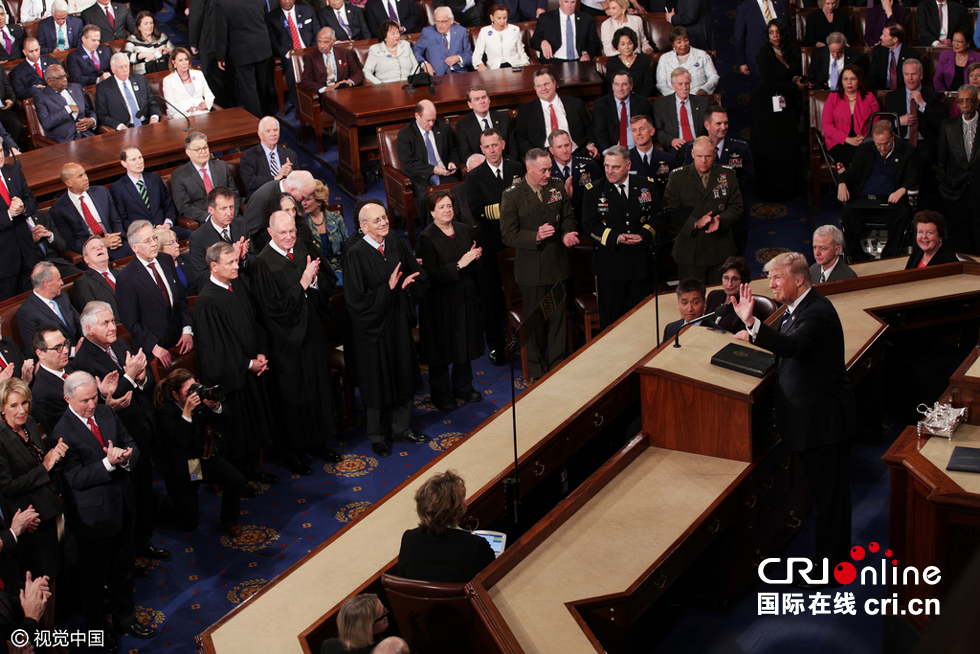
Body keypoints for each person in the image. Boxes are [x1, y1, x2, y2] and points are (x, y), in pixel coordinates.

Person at [732, 252, 855, 574]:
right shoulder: (792, 311)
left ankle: (831, 569)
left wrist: (752, 323)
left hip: (824, 422)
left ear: (799, 279)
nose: (770, 284)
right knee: (822, 494)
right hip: (809, 420)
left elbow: (793, 347)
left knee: (831, 500)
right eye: (769, 278)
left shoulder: (817, 312)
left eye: (777, 278)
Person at [54, 371, 154, 649]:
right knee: (94, 583)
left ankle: (126, 619)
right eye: (84, 400)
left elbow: (130, 441)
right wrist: (109, 464)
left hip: (121, 506)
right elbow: (75, 479)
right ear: (68, 399)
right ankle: (99, 632)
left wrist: (126, 457)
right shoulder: (62, 432)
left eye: (94, 397)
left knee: (124, 571)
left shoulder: (106, 414)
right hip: (92, 520)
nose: (91, 405)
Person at [74, 301, 169, 567]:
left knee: (144, 490)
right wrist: (129, 377)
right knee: (130, 496)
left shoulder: (119, 344)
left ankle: (144, 540)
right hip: (118, 439)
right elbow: (101, 403)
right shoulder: (83, 362)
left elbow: (142, 382)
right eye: (105, 323)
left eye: (112, 320)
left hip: (140, 427)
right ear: (89, 329)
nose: (112, 326)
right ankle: (131, 551)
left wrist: (139, 379)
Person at [253, 210, 341, 473]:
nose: (290, 237)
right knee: (293, 395)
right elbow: (271, 308)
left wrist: (313, 283)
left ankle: (318, 441)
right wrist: (302, 283)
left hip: (311, 332)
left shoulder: (302, 246)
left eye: (292, 231)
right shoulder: (263, 263)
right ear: (270, 233)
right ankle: (292, 451)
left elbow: (327, 280)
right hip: (286, 343)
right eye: (283, 233)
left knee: (317, 387)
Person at [344, 202, 430, 457]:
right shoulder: (355, 254)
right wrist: (389, 289)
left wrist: (405, 288)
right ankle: (378, 435)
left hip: (397, 323)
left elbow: (417, 275)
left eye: (384, 217)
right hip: (372, 331)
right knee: (377, 381)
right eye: (376, 220)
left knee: (403, 371)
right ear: (363, 226)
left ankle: (402, 428)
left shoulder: (395, 243)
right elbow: (356, 299)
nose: (383, 222)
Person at [194, 242, 279, 488]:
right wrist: (247, 363)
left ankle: (255, 469)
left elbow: (255, 321)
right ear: (213, 266)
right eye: (230, 263)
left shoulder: (237, 285)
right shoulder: (207, 301)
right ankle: (238, 480)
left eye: (236, 261)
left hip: (252, 370)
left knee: (255, 424)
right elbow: (215, 350)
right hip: (233, 376)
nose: (236, 266)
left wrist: (261, 352)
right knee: (238, 429)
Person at [500, 148, 578, 381]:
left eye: (549, 169)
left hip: (557, 265)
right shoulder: (512, 195)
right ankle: (537, 370)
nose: (548, 173)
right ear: (529, 168)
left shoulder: (556, 186)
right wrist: (535, 236)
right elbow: (507, 235)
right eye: (542, 170)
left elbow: (567, 217)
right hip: (531, 272)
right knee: (535, 323)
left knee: (556, 320)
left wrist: (566, 233)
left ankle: (557, 365)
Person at [153, 368, 247, 537]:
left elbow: (228, 416)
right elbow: (181, 441)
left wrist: (216, 406)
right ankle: (159, 503)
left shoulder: (201, 403)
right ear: (175, 395)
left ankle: (230, 520)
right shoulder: (165, 413)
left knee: (236, 479)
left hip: (201, 459)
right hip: (180, 468)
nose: (195, 393)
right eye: (189, 391)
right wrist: (187, 412)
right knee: (189, 523)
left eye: (196, 386)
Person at [416, 191, 483, 412]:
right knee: (441, 350)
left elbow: (471, 266)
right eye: (441, 207)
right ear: (432, 212)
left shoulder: (463, 229)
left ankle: (463, 386)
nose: (447, 210)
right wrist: (458, 265)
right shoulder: (426, 238)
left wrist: (474, 258)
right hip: (440, 301)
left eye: (449, 206)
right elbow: (430, 275)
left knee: (464, 342)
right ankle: (441, 394)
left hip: (464, 296)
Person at [581, 146, 657, 331]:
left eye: (615, 167)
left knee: (642, 319)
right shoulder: (594, 190)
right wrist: (616, 237)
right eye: (607, 166)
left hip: (640, 263)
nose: (609, 171)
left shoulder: (647, 185)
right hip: (610, 265)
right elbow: (589, 225)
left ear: (628, 165)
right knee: (611, 322)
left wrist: (643, 234)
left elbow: (657, 217)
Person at [466, 128, 525, 364]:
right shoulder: (474, 176)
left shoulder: (516, 169)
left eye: (494, 145)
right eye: (486, 147)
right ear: (481, 149)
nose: (491, 150)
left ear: (502, 144)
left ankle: (522, 339)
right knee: (491, 298)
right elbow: (478, 212)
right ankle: (496, 346)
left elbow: (526, 198)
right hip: (490, 242)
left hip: (518, 239)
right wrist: (511, 209)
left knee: (520, 290)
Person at [0, 377, 65, 583]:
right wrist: (44, 467)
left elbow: (42, 460)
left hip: (47, 505)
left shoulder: (29, 423)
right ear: (2, 409)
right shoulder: (1, 438)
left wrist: (55, 457)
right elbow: (7, 487)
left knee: (55, 570)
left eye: (24, 403)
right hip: (27, 517)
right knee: (41, 577)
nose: (21, 410)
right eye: (14, 405)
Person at [663, 136, 743, 283]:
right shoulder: (677, 178)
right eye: (699, 156)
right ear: (692, 154)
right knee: (692, 299)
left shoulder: (727, 175)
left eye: (708, 156)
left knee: (721, 298)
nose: (703, 160)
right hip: (689, 252)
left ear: (714, 154)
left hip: (720, 249)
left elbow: (737, 207)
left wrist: (720, 219)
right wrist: (695, 223)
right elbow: (670, 213)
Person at [116, 221, 194, 366]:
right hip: (154, 351)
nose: (153, 244)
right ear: (134, 248)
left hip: (181, 341)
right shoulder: (126, 278)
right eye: (147, 241)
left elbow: (181, 298)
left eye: (154, 238)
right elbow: (131, 322)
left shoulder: (166, 260)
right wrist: (154, 347)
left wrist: (187, 330)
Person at [838, 120, 917, 261]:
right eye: (878, 144)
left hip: (891, 200)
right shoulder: (865, 149)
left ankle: (889, 257)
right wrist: (842, 183)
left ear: (893, 136)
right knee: (847, 212)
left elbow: (912, 176)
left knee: (904, 213)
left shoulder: (907, 151)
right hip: (865, 199)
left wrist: (902, 189)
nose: (882, 148)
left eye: (886, 143)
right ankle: (857, 257)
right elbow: (851, 172)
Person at [679, 106, 753, 253]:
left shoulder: (741, 148)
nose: (723, 127)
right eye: (718, 123)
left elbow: (749, 181)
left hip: (733, 220)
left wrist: (725, 188)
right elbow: (686, 182)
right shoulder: (691, 149)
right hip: (703, 218)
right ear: (707, 125)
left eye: (725, 123)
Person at [398, 470, 494, 582]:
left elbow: (404, 580)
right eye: (463, 497)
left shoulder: (409, 539)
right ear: (458, 508)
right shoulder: (476, 546)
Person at [751, 19, 803, 201]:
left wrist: (798, 80)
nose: (775, 36)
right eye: (771, 32)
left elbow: (792, 74)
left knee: (788, 143)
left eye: (778, 32)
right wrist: (795, 87)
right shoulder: (764, 55)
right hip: (766, 106)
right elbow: (769, 83)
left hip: (786, 103)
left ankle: (789, 188)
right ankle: (770, 190)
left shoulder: (789, 52)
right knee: (772, 145)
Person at [398, 99, 460, 224]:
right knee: (425, 195)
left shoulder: (443, 128)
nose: (432, 124)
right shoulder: (405, 134)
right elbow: (408, 162)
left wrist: (452, 162)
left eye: (434, 119)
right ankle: (430, 233)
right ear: (417, 116)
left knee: (458, 190)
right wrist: (432, 169)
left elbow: (453, 150)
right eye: (428, 120)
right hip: (420, 176)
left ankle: (457, 228)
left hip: (444, 173)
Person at [516, 67, 596, 158]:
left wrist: (591, 144)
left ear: (554, 83)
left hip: (576, 152)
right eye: (539, 86)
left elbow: (589, 128)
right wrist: (535, 156)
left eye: (546, 84)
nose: (543, 89)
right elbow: (521, 139)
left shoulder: (575, 104)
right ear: (535, 88)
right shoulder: (526, 110)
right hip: (544, 157)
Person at [938, 85, 980, 255]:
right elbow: (941, 162)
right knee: (961, 242)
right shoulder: (948, 126)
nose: (964, 104)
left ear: (976, 102)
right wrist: (947, 184)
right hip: (956, 192)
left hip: (979, 191)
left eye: (968, 100)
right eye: (960, 101)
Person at [111, 145, 187, 237]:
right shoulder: (118, 188)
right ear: (124, 163)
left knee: (194, 236)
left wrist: (167, 223)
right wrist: (145, 230)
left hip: (165, 229)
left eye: (140, 158)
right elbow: (122, 219)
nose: (139, 162)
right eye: (133, 159)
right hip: (142, 235)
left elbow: (169, 205)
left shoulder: (155, 179)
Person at [214, 0, 273, 118]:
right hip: (262, 47)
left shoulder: (223, 3)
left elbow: (221, 31)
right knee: (261, 84)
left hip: (243, 51)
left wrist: (220, 56)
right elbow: (266, 20)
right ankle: (265, 113)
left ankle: (256, 119)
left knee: (249, 88)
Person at [170, 131, 243, 225]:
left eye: (205, 147)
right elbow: (184, 207)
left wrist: (231, 213)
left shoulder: (222, 166)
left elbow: (234, 194)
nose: (203, 151)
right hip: (204, 221)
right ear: (188, 152)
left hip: (230, 217)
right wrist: (210, 218)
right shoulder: (179, 175)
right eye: (198, 149)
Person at [0, 147, 40, 302]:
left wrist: (23, 208)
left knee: (33, 303)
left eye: (1, 150)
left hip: (27, 253)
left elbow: (32, 201)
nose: (0, 156)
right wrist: (9, 214)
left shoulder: (14, 171)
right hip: (4, 261)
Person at [16, 263, 81, 357]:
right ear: (47, 284)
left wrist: (85, 341)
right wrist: (73, 352)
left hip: (80, 351)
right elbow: (36, 349)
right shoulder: (26, 313)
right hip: (58, 360)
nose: (62, 283)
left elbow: (78, 321)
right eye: (58, 279)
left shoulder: (62, 296)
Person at [822, 64, 879, 169]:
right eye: (845, 79)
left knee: (865, 154)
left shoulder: (869, 98)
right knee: (854, 157)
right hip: (839, 142)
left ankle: (844, 179)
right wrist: (847, 139)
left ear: (859, 80)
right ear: (841, 81)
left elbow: (877, 124)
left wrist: (865, 139)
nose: (849, 82)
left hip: (863, 140)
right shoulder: (833, 98)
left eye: (853, 78)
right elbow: (826, 126)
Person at [300, 27, 364, 111]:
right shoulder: (310, 57)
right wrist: (325, 89)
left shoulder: (345, 53)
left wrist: (349, 82)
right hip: (326, 95)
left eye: (326, 42)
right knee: (343, 108)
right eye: (319, 41)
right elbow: (306, 81)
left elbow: (358, 73)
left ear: (333, 41)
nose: (322, 45)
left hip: (344, 91)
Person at [95, 53, 163, 131]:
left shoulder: (140, 80)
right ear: (113, 69)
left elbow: (152, 103)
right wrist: (120, 126)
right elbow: (102, 115)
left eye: (126, 66)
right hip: (124, 129)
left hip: (146, 124)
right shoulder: (103, 87)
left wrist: (154, 118)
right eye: (121, 67)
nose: (125, 70)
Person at [27, 325, 76, 433]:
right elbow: (66, 430)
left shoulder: (67, 366)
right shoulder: (43, 393)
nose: (65, 350)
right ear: (40, 354)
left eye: (65, 344)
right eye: (57, 348)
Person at [268, 0, 321, 97]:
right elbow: (273, 43)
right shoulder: (272, 17)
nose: (287, 1)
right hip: (289, 55)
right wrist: (288, 53)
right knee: (292, 67)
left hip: (309, 50)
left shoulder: (307, 10)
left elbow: (317, 33)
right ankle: (299, 103)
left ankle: (320, 98)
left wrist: (311, 50)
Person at [32, 64, 97, 143]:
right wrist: (67, 109)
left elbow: (88, 110)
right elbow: (46, 123)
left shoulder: (76, 88)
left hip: (87, 135)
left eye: (65, 75)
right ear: (49, 81)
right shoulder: (41, 97)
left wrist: (92, 120)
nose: (64, 79)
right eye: (60, 78)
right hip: (65, 141)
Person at [189, 0, 234, 111]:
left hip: (209, 40)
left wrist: (193, 41)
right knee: (229, 79)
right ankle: (233, 110)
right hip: (229, 38)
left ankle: (221, 114)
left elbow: (196, 14)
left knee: (214, 81)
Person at [454, 84, 516, 165]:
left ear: (489, 99)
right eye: (477, 99)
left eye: (484, 97)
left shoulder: (504, 118)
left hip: (505, 164)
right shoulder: (463, 125)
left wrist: (505, 164)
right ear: (470, 104)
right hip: (480, 168)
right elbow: (464, 153)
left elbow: (513, 147)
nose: (482, 101)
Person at [244, 169, 316, 238]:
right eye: (303, 197)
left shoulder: (295, 194)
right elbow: (249, 231)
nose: (303, 201)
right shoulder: (263, 198)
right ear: (293, 189)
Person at [653, 68, 709, 156]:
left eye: (687, 83)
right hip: (676, 148)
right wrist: (671, 140)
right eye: (680, 84)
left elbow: (710, 127)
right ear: (673, 85)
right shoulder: (661, 105)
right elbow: (658, 131)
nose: (684, 87)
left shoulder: (703, 103)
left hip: (699, 147)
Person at [593, 70, 653, 153]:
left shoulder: (642, 103)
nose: (620, 88)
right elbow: (600, 132)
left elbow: (648, 130)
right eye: (617, 84)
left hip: (638, 149)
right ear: (612, 86)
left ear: (631, 86)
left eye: (624, 84)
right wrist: (608, 153)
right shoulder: (601, 104)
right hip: (612, 151)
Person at [240, 117, 299, 199]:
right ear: (260, 134)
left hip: (287, 198)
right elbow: (250, 182)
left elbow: (298, 181)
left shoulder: (290, 154)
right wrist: (276, 177)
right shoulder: (248, 156)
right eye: (268, 131)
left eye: (275, 130)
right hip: (262, 198)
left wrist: (291, 173)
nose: (273, 134)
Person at [529, 0, 600, 66]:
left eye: (573, 2)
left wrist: (587, 54)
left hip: (579, 61)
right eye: (566, 1)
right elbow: (533, 41)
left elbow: (593, 42)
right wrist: (542, 42)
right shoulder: (546, 18)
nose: (569, 5)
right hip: (554, 61)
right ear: (560, 1)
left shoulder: (586, 19)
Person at [655, 26, 718, 98]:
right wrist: (676, 96)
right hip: (673, 99)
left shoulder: (702, 55)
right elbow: (661, 84)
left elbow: (714, 77)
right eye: (679, 42)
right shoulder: (664, 59)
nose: (683, 44)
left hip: (698, 97)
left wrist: (703, 89)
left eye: (686, 40)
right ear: (673, 44)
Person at [548, 128, 598, 217]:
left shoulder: (589, 165)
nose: (565, 150)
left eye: (567, 145)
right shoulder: (547, 171)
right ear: (551, 150)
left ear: (571, 145)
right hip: (560, 222)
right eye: (559, 147)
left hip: (586, 218)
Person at [733, 0, 789, 77]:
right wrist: (741, 62)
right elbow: (739, 37)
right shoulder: (745, 7)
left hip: (781, 56)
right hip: (757, 58)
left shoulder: (780, 3)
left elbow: (788, 30)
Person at [320, 594, 391, 654]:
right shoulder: (390, 650)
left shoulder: (328, 646)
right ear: (369, 628)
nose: (387, 612)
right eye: (383, 613)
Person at [412, 7, 472, 76]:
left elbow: (469, 55)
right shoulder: (427, 32)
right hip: (437, 76)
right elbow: (416, 50)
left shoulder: (461, 31)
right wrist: (424, 64)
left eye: (443, 21)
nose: (440, 25)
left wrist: (459, 58)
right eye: (437, 21)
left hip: (459, 75)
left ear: (451, 20)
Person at [161, 46, 215, 121]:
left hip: (202, 113)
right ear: (174, 62)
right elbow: (171, 106)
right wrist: (192, 109)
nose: (184, 63)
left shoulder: (198, 74)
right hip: (181, 115)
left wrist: (206, 106)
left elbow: (209, 95)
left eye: (186, 59)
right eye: (180, 60)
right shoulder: (168, 80)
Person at [305, 179, 347, 271]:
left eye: (308, 199)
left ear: (319, 201)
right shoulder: (302, 224)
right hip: (317, 269)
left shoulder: (337, 219)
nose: (303, 203)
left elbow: (347, 246)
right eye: (302, 199)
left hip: (339, 265)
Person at [71, 237, 119, 318]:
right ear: (86, 259)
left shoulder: (120, 274)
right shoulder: (82, 283)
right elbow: (93, 315)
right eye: (93, 248)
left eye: (102, 246)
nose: (99, 248)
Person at [472, 4, 530, 71]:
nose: (502, 21)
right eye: (499, 18)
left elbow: (521, 51)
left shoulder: (515, 30)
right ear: (492, 17)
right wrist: (480, 65)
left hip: (515, 66)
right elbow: (476, 55)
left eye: (504, 18)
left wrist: (526, 63)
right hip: (494, 69)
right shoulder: (484, 32)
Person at [630, 115, 675, 195]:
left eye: (642, 129)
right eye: (634, 130)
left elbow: (674, 190)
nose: (638, 133)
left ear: (652, 131)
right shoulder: (625, 159)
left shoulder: (669, 159)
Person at [362, 19, 418, 84]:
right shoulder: (375, 49)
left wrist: (411, 79)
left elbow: (415, 65)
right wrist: (379, 84)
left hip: (407, 84)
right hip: (386, 86)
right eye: (393, 33)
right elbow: (367, 71)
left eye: (397, 32)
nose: (397, 35)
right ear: (384, 36)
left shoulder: (405, 45)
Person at [705, 256, 751, 333]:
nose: (729, 284)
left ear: (743, 281)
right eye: (726, 278)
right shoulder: (714, 296)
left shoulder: (748, 305)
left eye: (735, 279)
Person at [604, 26, 653, 99]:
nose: (627, 47)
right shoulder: (612, 62)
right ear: (617, 46)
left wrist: (638, 101)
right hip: (618, 100)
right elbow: (609, 87)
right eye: (623, 44)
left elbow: (648, 86)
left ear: (634, 44)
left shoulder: (643, 60)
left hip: (640, 100)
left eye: (629, 43)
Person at [869, 25, 921, 92]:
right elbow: (872, 76)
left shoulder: (911, 55)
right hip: (882, 90)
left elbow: (913, 80)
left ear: (895, 39)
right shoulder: (878, 51)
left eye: (885, 35)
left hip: (903, 92)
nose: (881, 37)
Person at [662, 277, 717, 342]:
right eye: (684, 303)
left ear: (704, 303)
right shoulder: (670, 328)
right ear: (678, 303)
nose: (690, 309)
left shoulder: (715, 332)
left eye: (695, 303)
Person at [124, 11, 173, 75]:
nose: (149, 26)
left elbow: (177, 53)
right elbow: (125, 58)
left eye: (151, 23)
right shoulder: (133, 39)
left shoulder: (162, 37)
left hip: (163, 72)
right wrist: (141, 55)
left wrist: (169, 51)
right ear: (139, 26)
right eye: (145, 23)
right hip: (143, 75)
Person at [156, 227, 197, 295]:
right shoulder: (156, 269)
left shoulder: (188, 259)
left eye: (176, 241)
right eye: (172, 243)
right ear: (160, 247)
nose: (177, 245)